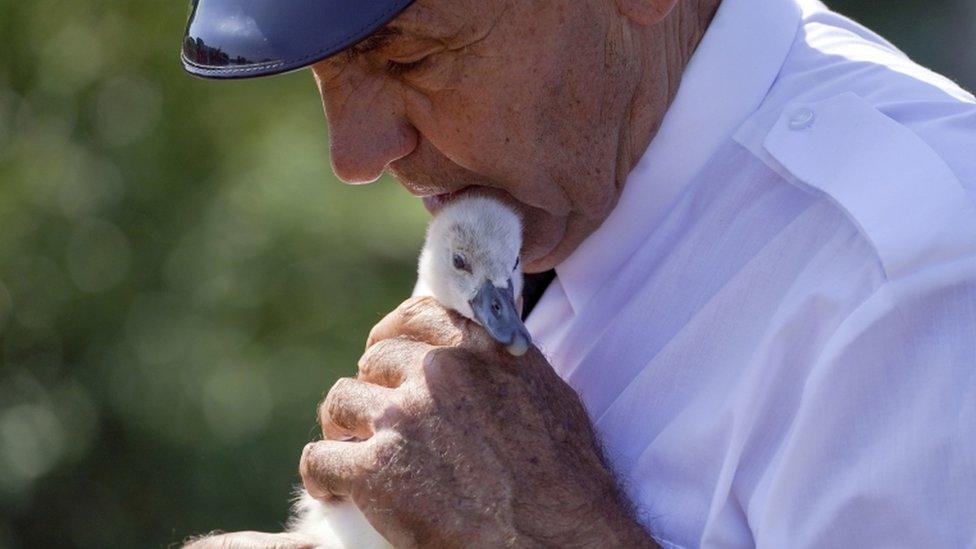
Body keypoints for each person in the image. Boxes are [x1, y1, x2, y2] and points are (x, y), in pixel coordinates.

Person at [181, 0, 976, 546]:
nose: (352, 156)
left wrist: (552, 532)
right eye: (326, 73)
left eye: (409, 57)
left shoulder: (924, 275)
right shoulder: (540, 182)